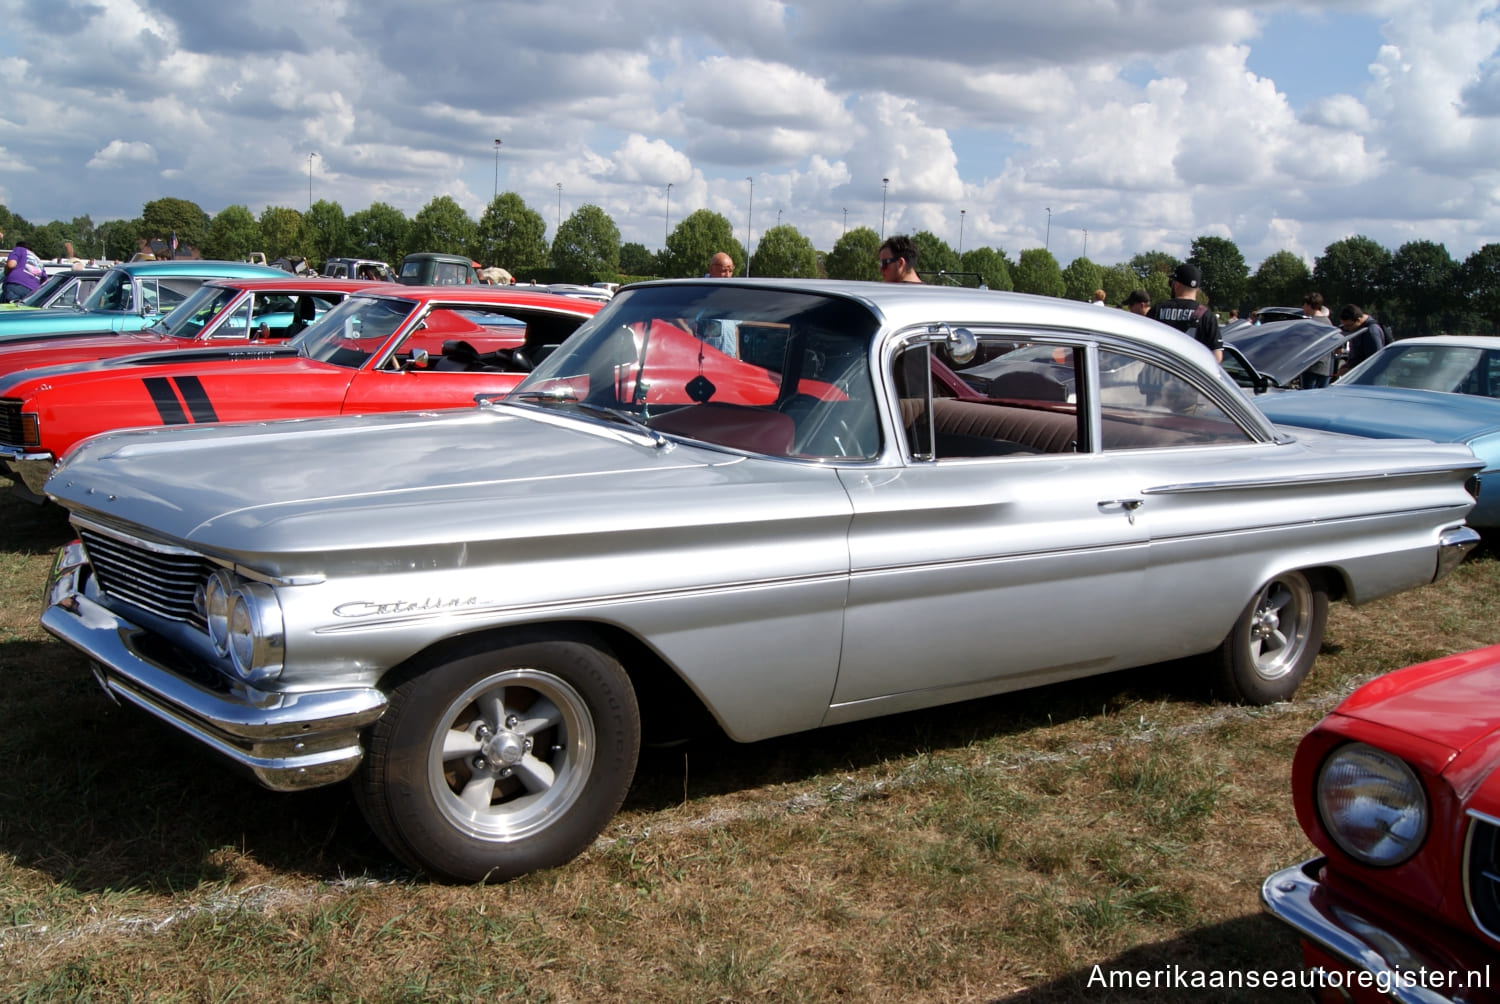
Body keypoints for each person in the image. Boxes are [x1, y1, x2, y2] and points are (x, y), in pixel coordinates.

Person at [1147, 263, 1221, 361]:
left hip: (1160, 373)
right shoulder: (1206, 316)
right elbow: (1217, 356)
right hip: (1189, 374)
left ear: (1176, 285)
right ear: (1197, 289)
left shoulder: (1158, 310)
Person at [1336, 304, 1387, 376]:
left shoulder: (1371, 332)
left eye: (1348, 326)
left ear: (1358, 320)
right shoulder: (1357, 328)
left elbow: (1375, 361)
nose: (1346, 329)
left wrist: (1350, 371)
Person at [1299, 292, 1336, 388]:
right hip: (1326, 368)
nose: (1303, 308)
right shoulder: (1328, 322)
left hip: (1311, 368)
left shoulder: (1309, 323)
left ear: (1308, 305)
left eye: (1303, 305)